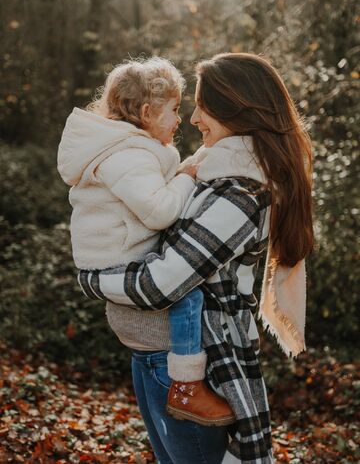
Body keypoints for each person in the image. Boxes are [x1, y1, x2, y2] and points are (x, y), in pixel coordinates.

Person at [78, 52, 314, 464]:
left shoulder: (241, 194)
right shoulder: (213, 171)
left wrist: (91, 280)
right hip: (156, 357)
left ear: (234, 111)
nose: (192, 120)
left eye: (202, 107)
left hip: (198, 365)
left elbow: (161, 284)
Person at [57, 57, 234, 428]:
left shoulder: (128, 149)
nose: (180, 119)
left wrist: (190, 166)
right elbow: (159, 211)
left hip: (113, 254)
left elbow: (159, 188)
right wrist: (187, 175)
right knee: (188, 295)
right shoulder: (127, 155)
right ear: (145, 112)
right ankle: (187, 386)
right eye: (173, 110)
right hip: (117, 258)